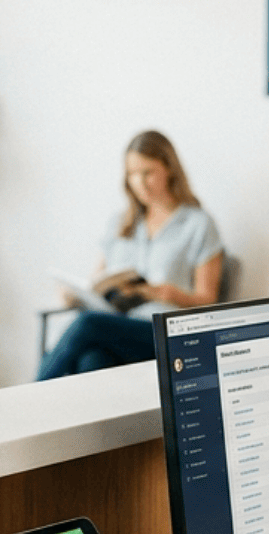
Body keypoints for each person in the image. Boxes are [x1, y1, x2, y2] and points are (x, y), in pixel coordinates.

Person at [37, 130, 224, 380]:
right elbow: (98, 282)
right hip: (117, 325)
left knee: (87, 324)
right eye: (132, 174)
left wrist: (171, 294)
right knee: (92, 360)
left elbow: (209, 299)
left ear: (169, 168)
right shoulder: (120, 223)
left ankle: (27, 400)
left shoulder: (198, 224)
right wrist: (77, 296)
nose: (139, 182)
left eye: (147, 172)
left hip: (163, 333)